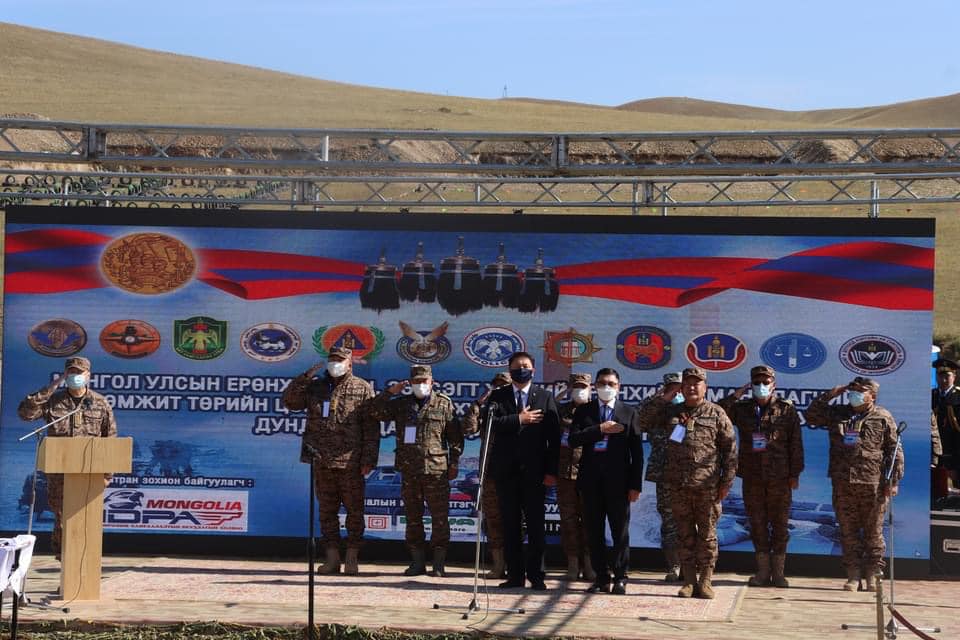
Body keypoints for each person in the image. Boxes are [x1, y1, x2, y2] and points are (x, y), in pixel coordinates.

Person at [282, 346, 378, 575]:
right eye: (332, 359)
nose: (335, 364)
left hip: (350, 462)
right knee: (327, 512)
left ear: (349, 364)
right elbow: (290, 402)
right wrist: (305, 377)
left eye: (340, 360)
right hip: (321, 459)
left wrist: (368, 459)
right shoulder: (316, 386)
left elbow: (371, 428)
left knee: (355, 511)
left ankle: (352, 557)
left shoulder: (362, 388)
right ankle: (332, 558)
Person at [806, 377, 904, 591]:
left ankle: (873, 575)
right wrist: (831, 393)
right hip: (843, 483)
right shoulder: (838, 413)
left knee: (873, 532)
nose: (854, 394)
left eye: (860, 391)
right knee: (847, 531)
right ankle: (853, 575)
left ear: (872, 396)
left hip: (873, 483)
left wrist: (894, 481)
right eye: (853, 390)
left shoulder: (883, 416)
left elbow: (894, 450)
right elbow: (811, 415)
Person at [18, 356, 117, 559]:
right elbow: (26, 413)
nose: (74, 376)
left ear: (88, 375)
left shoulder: (100, 403)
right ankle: (66, 561)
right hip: (59, 473)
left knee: (87, 518)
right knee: (62, 517)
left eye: (79, 373)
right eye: (70, 372)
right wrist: (53, 386)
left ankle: (84, 562)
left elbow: (110, 440)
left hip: (90, 472)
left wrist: (107, 475)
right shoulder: (53, 401)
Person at [368, 365, 463, 577]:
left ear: (432, 382)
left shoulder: (444, 403)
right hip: (409, 470)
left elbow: (455, 437)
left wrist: (454, 462)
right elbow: (374, 412)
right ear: (410, 383)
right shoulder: (401, 404)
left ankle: (438, 564)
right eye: (416, 381)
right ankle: (417, 563)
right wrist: (389, 392)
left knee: (440, 518)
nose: (420, 385)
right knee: (412, 518)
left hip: (436, 471)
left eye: (424, 381)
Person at [718, 365, 804, 588]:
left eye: (766, 382)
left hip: (780, 477)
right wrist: (736, 395)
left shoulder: (786, 410)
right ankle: (763, 572)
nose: (761, 386)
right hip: (752, 476)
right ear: (751, 385)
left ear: (774, 384)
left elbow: (796, 443)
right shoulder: (742, 409)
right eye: (757, 382)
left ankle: (779, 574)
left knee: (780, 525)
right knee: (757, 524)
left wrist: (795, 474)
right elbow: (717, 413)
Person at [659, 367, 737, 599]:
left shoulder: (716, 413)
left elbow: (730, 450)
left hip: (707, 488)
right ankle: (689, 581)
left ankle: (705, 580)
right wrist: (667, 396)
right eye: (688, 384)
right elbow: (644, 418)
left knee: (707, 536)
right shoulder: (672, 412)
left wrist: (726, 482)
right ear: (681, 387)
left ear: (705, 387)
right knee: (684, 535)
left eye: (697, 383)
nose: (692, 387)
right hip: (679, 486)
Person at [487, 351, 561, 591]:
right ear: (510, 371)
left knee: (536, 525)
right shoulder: (498, 396)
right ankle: (515, 575)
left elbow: (554, 438)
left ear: (533, 370)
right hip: (506, 472)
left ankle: (537, 575)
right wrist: (519, 419)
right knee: (510, 524)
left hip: (535, 473)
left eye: (526, 366)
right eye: (517, 367)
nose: (522, 370)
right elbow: (490, 424)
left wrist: (551, 471)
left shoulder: (545, 397)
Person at [569, 368, 643, 595]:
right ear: (595, 386)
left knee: (620, 531)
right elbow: (573, 439)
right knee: (594, 532)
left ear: (619, 387)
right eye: (602, 383)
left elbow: (637, 453)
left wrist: (635, 485)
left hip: (619, 483)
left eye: (611, 383)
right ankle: (601, 578)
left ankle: (621, 577)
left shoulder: (628, 412)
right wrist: (599, 429)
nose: (606, 387)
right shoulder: (585, 411)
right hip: (590, 482)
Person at [462, 371, 512, 578]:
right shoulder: (487, 410)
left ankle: (515, 565)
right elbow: (468, 429)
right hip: (490, 472)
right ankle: (498, 565)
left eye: (504, 385)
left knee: (515, 520)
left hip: (512, 472)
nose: (499, 388)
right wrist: (477, 405)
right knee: (493, 519)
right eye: (496, 385)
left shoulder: (520, 407)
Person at [637, 371, 684, 582]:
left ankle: (692, 565)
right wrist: (661, 400)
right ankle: (674, 565)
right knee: (669, 520)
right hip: (665, 473)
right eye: (671, 388)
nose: (676, 392)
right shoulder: (655, 406)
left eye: (679, 388)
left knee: (693, 520)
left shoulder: (695, 406)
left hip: (691, 473)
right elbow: (639, 421)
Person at [556, 372, 596, 582]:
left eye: (583, 387)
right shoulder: (561, 410)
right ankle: (572, 563)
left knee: (590, 521)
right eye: (576, 387)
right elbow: (547, 411)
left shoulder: (597, 411)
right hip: (565, 474)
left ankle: (589, 564)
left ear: (591, 388)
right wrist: (561, 394)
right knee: (568, 521)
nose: (580, 391)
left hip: (590, 474)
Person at [932, 358, 960, 491]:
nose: (943, 380)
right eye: (940, 376)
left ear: (954, 377)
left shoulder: (958, 396)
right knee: (936, 489)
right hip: (934, 451)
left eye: (947, 376)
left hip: (954, 450)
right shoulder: (931, 396)